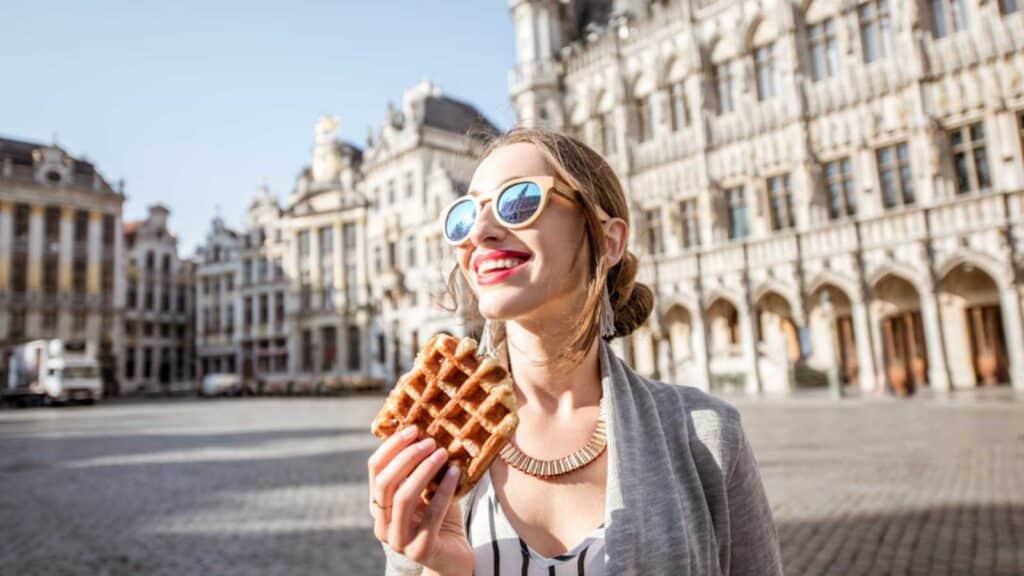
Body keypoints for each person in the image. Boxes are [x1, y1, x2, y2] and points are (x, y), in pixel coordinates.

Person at [367, 128, 782, 575]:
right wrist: (439, 569)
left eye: (520, 201)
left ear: (609, 240)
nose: (480, 233)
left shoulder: (706, 438)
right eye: (465, 215)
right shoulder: (429, 450)